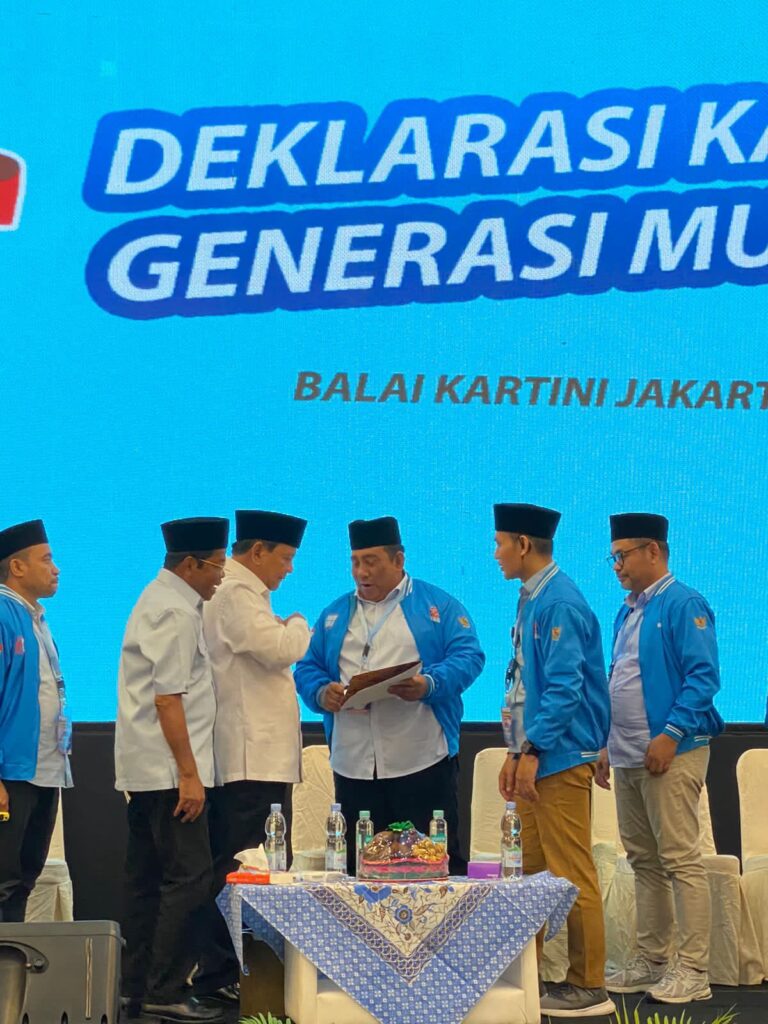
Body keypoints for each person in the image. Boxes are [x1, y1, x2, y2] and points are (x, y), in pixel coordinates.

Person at [295, 516, 484, 874]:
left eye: (371, 562)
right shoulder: (335, 614)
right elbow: (307, 667)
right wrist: (321, 693)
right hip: (353, 763)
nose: (361, 572)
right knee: (359, 869)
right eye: (355, 562)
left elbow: (469, 656)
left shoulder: (438, 606)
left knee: (430, 867)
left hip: (421, 759)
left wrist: (428, 684)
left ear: (399, 560)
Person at [494, 503, 614, 1019]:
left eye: (500, 543)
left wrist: (534, 749)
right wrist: (513, 749)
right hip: (535, 754)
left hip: (559, 757)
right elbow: (523, 684)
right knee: (528, 872)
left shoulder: (559, 602)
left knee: (570, 872)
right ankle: (528, 975)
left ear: (523, 544)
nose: (495, 554)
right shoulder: (531, 599)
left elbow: (566, 689)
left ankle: (589, 984)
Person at [599, 513, 724, 1004]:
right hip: (628, 754)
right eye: (613, 557)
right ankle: (652, 960)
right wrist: (605, 743)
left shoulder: (683, 603)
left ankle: (693, 970)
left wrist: (671, 734)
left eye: (623, 555)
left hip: (672, 752)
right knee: (643, 861)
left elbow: (703, 677)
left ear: (654, 551)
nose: (616, 566)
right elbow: (620, 678)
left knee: (679, 859)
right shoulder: (627, 611)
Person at [115, 517, 229, 1024]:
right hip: (168, 774)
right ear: (190, 564)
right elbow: (168, 699)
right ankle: (165, 989)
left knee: (148, 880)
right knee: (189, 879)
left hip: (150, 771)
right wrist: (188, 773)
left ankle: (136, 989)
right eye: (217, 566)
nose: (221, 576)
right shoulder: (175, 611)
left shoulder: (163, 599)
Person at [193, 508, 309, 999]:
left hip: (260, 757)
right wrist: (298, 623)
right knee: (240, 866)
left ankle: (242, 970)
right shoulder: (236, 593)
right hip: (248, 759)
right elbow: (280, 648)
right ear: (257, 551)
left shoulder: (247, 594)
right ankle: (221, 972)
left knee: (256, 864)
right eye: (284, 558)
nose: (289, 568)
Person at [0, 519, 72, 922]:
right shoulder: (3, 614)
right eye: (46, 559)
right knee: (4, 880)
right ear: (17, 567)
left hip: (43, 770)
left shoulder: (35, 618)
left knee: (24, 879)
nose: (55, 569)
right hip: (11, 773)